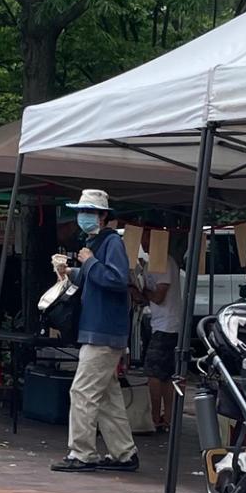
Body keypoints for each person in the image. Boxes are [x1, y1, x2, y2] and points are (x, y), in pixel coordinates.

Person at [50, 189, 139, 474]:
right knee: (106, 395)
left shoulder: (109, 242)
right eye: (81, 211)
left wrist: (87, 261)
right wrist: (73, 272)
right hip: (103, 330)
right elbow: (101, 278)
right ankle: (124, 453)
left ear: (103, 216)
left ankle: (82, 453)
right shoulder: (99, 242)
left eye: (89, 211)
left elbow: (115, 278)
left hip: (102, 331)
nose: (83, 216)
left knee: (83, 392)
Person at [140, 247, 186, 433]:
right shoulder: (153, 262)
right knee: (166, 374)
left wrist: (143, 292)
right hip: (164, 323)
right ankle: (167, 418)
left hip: (166, 325)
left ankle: (156, 417)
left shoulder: (164, 262)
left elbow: (159, 296)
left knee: (154, 372)